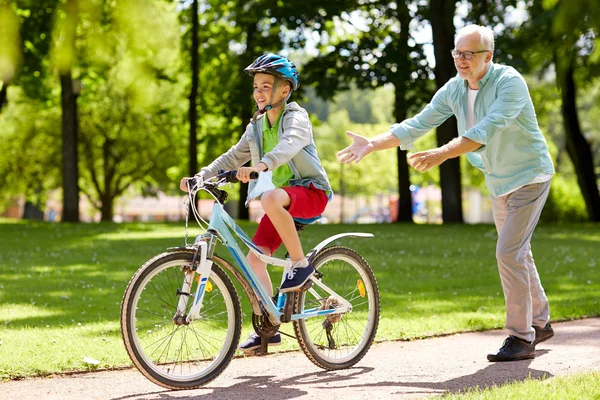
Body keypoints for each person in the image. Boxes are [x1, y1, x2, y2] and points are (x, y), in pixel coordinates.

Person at [337, 24, 555, 362]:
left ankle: (521, 336)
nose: (461, 60)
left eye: (469, 54)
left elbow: (487, 129)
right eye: (457, 53)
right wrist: (373, 143)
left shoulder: (509, 83)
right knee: (517, 253)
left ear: (488, 56)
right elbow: (418, 123)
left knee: (509, 253)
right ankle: (539, 322)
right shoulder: (455, 89)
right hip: (498, 181)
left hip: (529, 176)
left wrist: (441, 153)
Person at [180, 53, 332, 352]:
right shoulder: (257, 127)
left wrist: (261, 166)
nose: (259, 92)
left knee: (269, 196)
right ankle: (269, 327)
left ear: (284, 90)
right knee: (254, 260)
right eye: (256, 87)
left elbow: (289, 145)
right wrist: (201, 176)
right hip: (282, 203)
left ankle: (300, 265)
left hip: (311, 192)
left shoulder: (295, 116)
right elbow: (233, 156)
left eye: (266, 86)